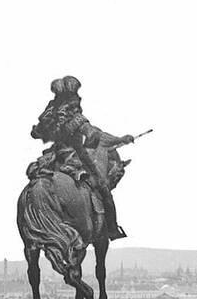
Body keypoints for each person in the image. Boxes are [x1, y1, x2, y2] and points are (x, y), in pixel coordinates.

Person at [28, 75, 134, 240]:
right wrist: (121, 139)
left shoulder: (50, 116)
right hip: (75, 158)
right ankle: (112, 229)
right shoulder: (76, 117)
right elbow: (97, 136)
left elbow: (36, 133)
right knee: (104, 189)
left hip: (52, 158)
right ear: (73, 96)